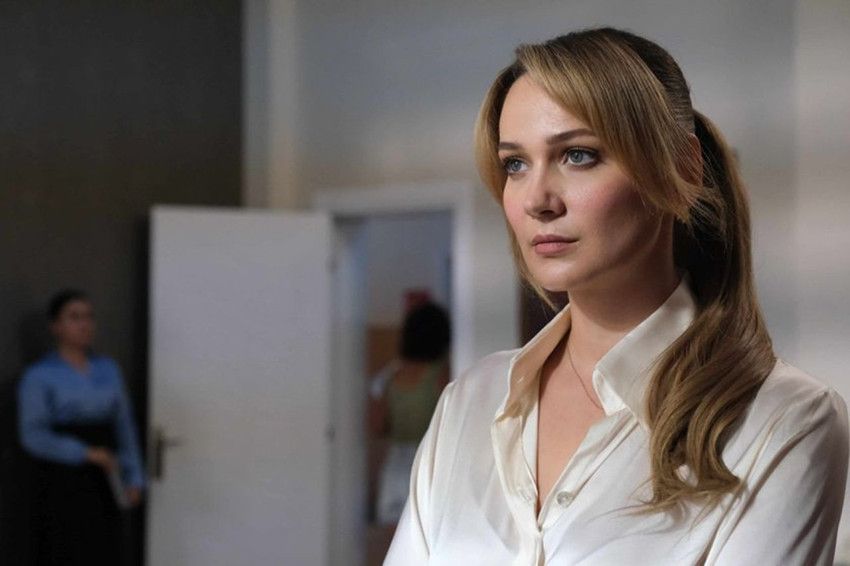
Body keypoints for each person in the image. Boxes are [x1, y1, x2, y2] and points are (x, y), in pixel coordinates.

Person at [385, 27, 849, 565]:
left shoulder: (783, 420)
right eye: (515, 164)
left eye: (578, 155)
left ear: (682, 166)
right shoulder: (470, 402)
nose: (537, 199)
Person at [18, 289, 145, 566]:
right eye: (74, 317)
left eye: (88, 317)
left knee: (106, 548)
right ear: (56, 326)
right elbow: (33, 434)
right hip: (63, 475)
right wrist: (85, 453)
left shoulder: (108, 369)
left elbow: (124, 425)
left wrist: (134, 476)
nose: (84, 324)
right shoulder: (39, 375)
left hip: (106, 474)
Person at [369, 301, 451, 526]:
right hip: (430, 459)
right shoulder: (442, 375)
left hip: (396, 462)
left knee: (392, 530)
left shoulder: (389, 377)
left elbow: (377, 426)